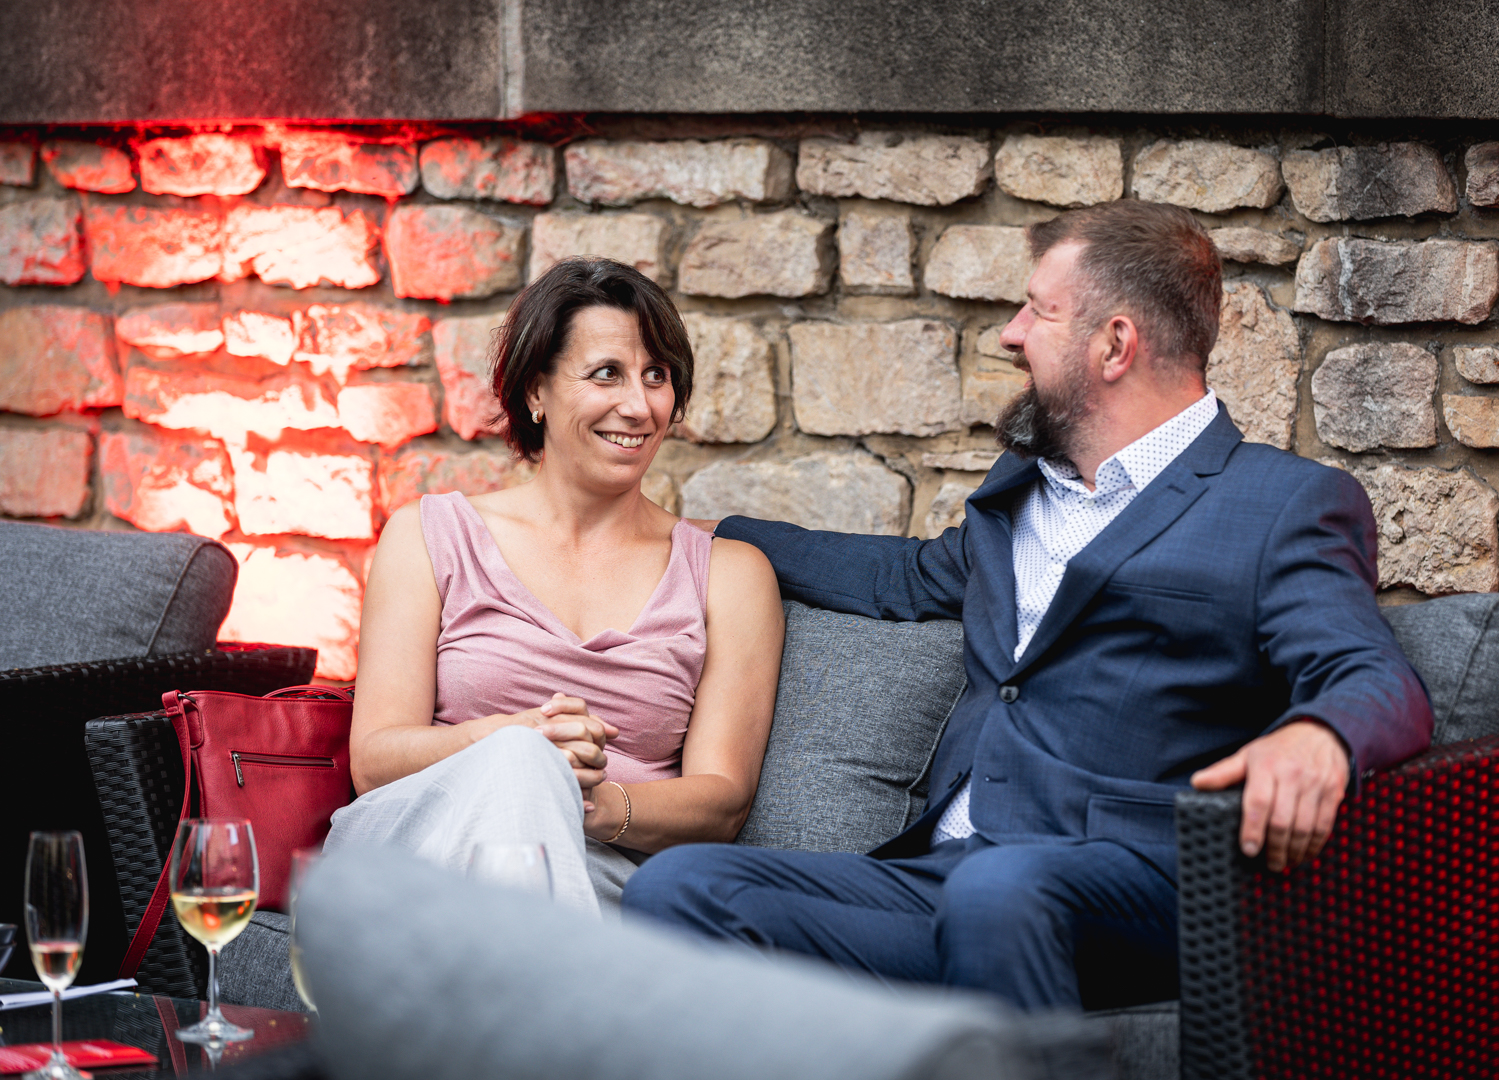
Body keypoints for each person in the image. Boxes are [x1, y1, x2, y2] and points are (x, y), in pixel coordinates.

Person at [622, 201, 1434, 1007]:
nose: (1011, 334)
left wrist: (1319, 738)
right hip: (950, 877)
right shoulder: (1019, 495)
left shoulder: (1282, 502)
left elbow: (1371, 674)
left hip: (1143, 885)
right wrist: (691, 535)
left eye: (1038, 311)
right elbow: (904, 577)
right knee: (681, 887)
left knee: (1001, 891)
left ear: (1114, 344)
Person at [329, 257, 784, 917]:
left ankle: (517, 969)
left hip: (594, 870)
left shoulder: (730, 575)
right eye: (607, 373)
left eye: (656, 375)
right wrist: (514, 745)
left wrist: (588, 803)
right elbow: (373, 761)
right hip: (423, 847)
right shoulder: (429, 535)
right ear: (535, 392)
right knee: (520, 764)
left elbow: (722, 802)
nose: (639, 406)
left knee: (529, 818)